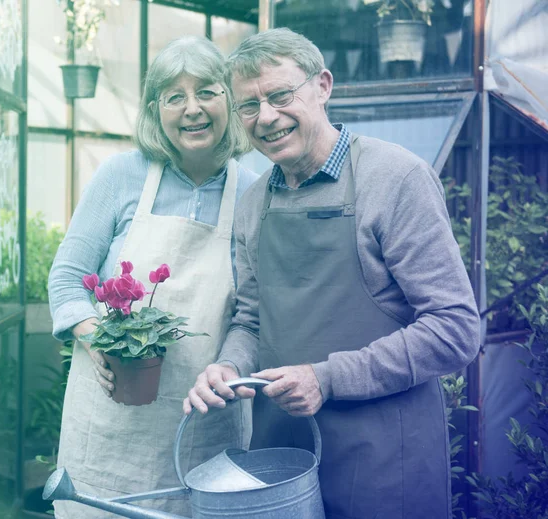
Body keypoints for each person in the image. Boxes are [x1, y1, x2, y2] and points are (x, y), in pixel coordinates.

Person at [184, 28, 481, 519]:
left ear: (322, 86)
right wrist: (230, 366)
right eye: (249, 106)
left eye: (280, 95)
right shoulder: (254, 201)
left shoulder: (395, 179)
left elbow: (455, 329)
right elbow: (252, 319)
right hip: (281, 459)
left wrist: (328, 377)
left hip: (387, 457)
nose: (267, 118)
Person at [48, 36, 256, 518]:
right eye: (174, 97)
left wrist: (229, 367)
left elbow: (254, 312)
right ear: (155, 109)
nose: (192, 109)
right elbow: (66, 279)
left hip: (205, 425)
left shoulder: (253, 190)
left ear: (229, 98)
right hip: (109, 430)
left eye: (207, 91)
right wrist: (98, 338)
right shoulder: (121, 176)